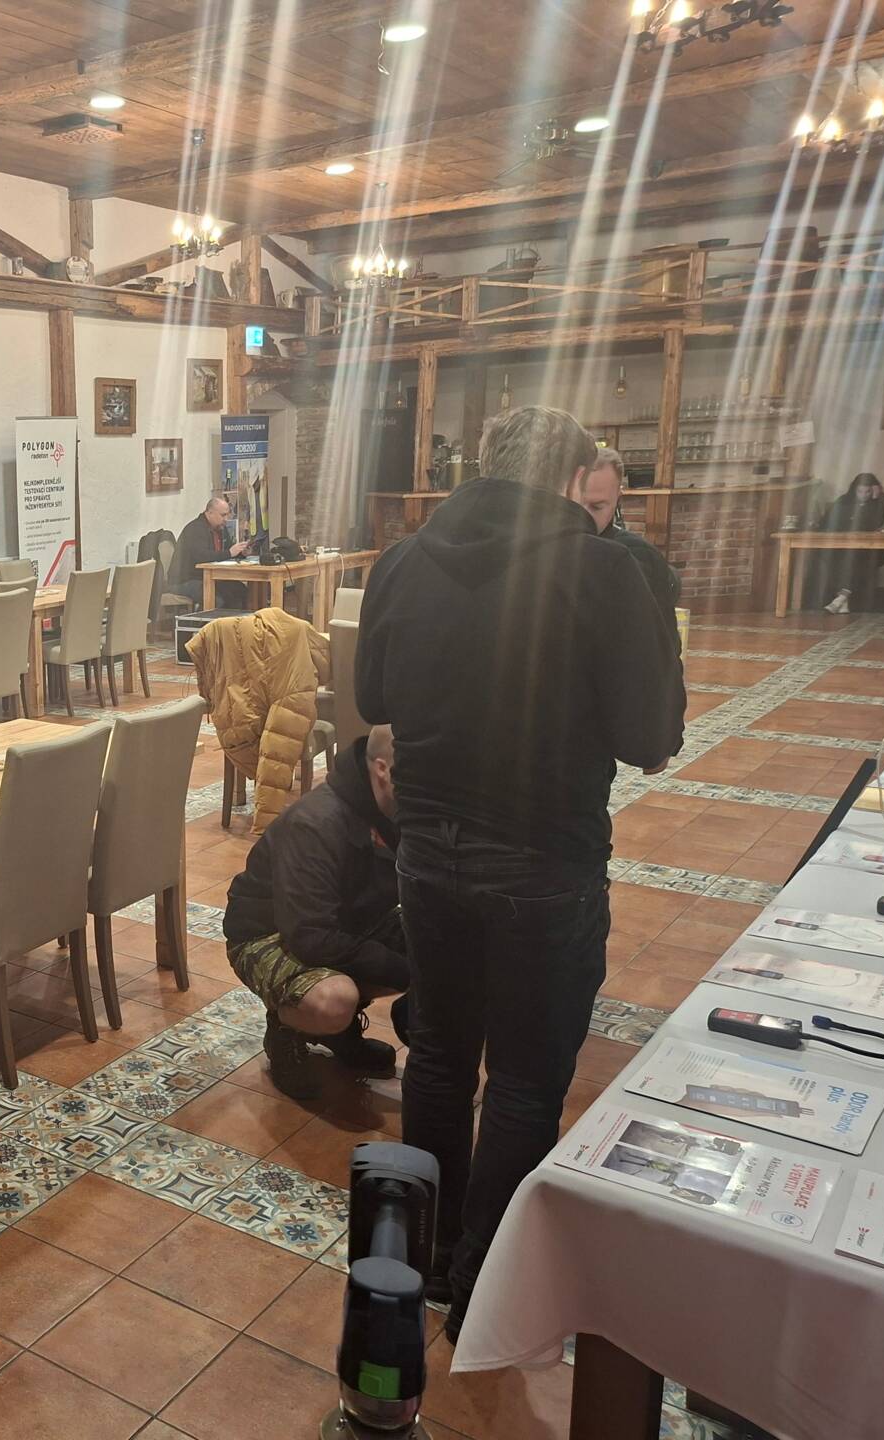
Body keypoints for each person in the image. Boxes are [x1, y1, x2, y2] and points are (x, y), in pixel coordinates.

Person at [356, 405, 683, 1334]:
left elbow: (373, 697)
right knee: (526, 1080)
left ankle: (422, 1257)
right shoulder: (602, 569)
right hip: (544, 856)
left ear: (482, 465)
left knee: (440, 1056)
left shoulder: (403, 560)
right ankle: (481, 1285)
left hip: (428, 846)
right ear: (574, 480)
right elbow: (650, 736)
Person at [223, 726, 411, 1098]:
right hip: (269, 933)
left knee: (437, 949)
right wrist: (408, 973)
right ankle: (287, 1031)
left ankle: (337, 1033)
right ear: (382, 770)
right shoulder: (317, 823)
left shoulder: (392, 806)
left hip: (347, 922)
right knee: (334, 1000)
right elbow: (312, 937)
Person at [569, 449, 682, 628]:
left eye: (597, 507)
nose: (584, 516)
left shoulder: (639, 556)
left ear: (617, 499)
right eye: (577, 505)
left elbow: (662, 639)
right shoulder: (549, 549)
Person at [814, 472, 884, 613]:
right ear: (854, 490)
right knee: (840, 558)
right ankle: (843, 600)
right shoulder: (844, 500)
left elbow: (876, 522)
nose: (864, 495)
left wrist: (876, 499)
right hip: (841, 544)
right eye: (860, 491)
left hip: (867, 547)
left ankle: (841, 598)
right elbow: (828, 521)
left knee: (858, 558)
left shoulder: (880, 502)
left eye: (868, 492)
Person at [169, 494, 252, 609]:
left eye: (227, 515)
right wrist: (229, 553)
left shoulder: (220, 528)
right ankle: (204, 621)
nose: (226, 519)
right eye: (223, 515)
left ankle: (237, 621)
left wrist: (241, 552)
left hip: (208, 577)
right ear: (209, 513)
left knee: (240, 590)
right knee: (217, 599)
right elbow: (202, 557)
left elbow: (228, 551)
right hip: (186, 580)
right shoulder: (195, 529)